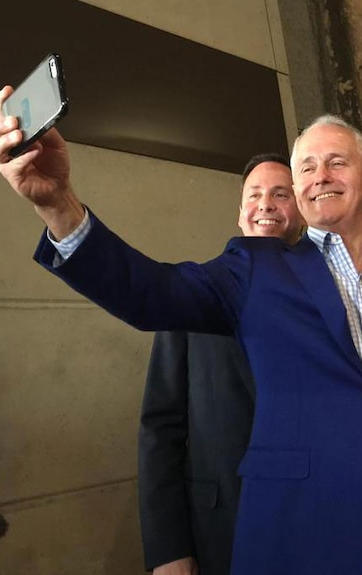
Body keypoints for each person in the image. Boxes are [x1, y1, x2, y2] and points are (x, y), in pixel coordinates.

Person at [0, 88, 362, 574]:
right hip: (305, 537)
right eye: (306, 167)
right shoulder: (256, 268)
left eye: (337, 162)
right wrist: (58, 205)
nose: (320, 176)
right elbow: (149, 292)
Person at [138, 153, 304, 575]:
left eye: (281, 194)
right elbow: (161, 428)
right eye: (255, 194)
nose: (266, 204)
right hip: (222, 529)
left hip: (320, 523)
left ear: (302, 210)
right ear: (241, 214)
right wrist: (167, 548)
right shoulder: (192, 291)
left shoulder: (329, 297)